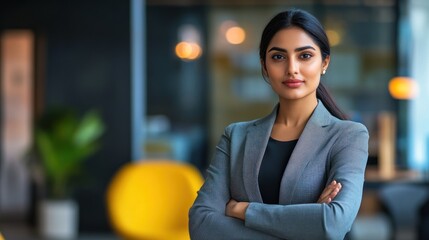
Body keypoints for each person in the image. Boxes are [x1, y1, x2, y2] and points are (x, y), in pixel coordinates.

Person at [189, 8, 369, 240]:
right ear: (264, 66)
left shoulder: (349, 135)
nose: (292, 68)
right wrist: (304, 226)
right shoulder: (236, 136)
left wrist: (243, 210)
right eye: (278, 57)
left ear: (324, 63)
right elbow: (201, 224)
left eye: (305, 56)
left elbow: (332, 223)